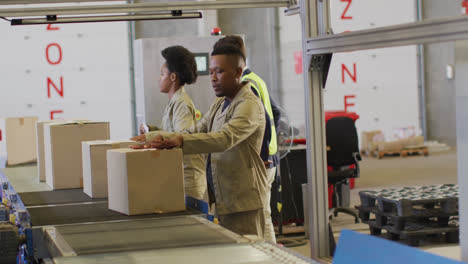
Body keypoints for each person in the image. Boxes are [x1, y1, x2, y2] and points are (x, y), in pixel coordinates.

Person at [132, 44, 268, 238]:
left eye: (219, 72)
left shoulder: (248, 105)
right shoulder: (220, 102)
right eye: (211, 72)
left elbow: (224, 138)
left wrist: (179, 140)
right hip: (222, 199)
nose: (213, 78)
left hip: (242, 201)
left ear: (239, 72)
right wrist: (156, 137)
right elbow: (196, 129)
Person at [214, 35, 280, 243]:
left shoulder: (246, 84)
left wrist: (260, 152)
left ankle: (273, 256)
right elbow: (274, 114)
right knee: (265, 216)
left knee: (262, 219)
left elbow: (264, 122)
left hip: (261, 161)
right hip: (269, 156)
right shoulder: (256, 79)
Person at [139, 45, 206, 200]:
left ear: (173, 77)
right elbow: (169, 130)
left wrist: (151, 136)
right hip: (179, 176)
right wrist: (150, 130)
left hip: (188, 180)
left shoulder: (182, 103)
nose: (159, 78)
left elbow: (181, 136)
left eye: (162, 74)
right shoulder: (174, 101)